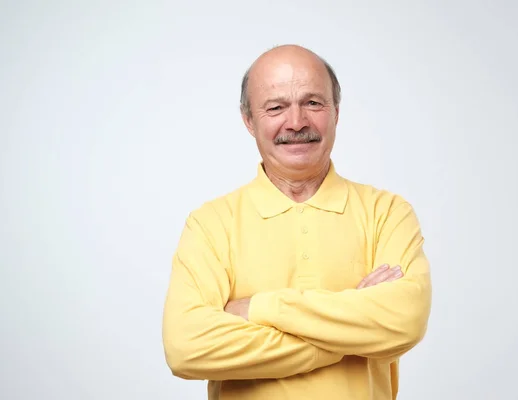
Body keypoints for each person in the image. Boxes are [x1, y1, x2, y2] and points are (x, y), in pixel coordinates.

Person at [162, 44, 432, 400]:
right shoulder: (211, 224)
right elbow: (186, 347)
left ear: (336, 111)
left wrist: (257, 309)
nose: (296, 122)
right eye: (276, 107)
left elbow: (404, 321)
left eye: (313, 103)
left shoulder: (387, 213)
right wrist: (347, 334)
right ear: (248, 120)